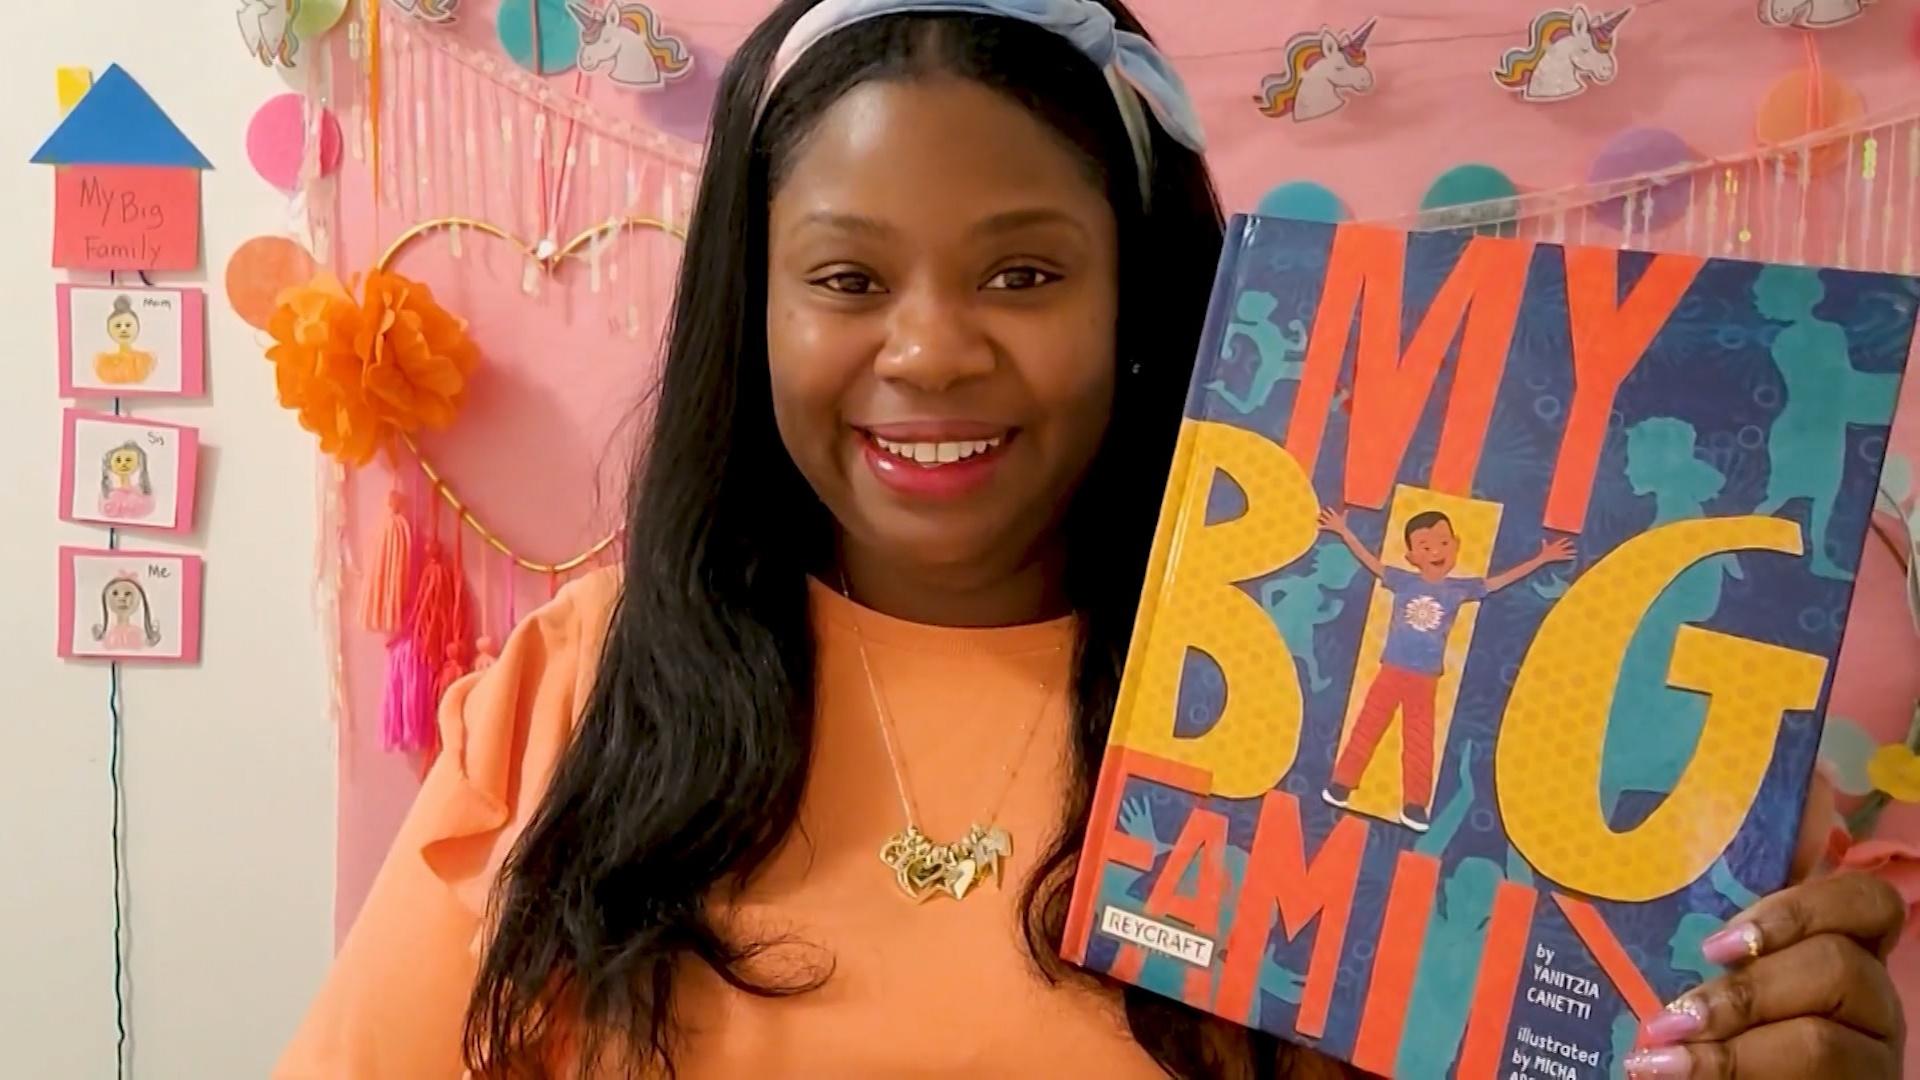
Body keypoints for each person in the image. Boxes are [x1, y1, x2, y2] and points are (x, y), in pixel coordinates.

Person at [276, 1, 1908, 1077]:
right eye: (847, 279)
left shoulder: (1387, 694)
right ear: (750, 314)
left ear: (1142, 305)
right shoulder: (577, 696)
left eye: (1023, 273)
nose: (928, 354)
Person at [1317, 507, 1572, 831]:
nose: (1435, 551)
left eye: (1442, 543)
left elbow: (1497, 582)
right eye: (1424, 546)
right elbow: (1372, 562)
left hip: (1425, 677)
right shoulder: (1403, 579)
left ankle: (1414, 804)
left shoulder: (1460, 588)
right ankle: (1342, 782)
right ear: (1411, 555)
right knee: (1369, 724)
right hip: (1392, 668)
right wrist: (1343, 531)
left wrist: (1541, 559)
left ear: (1455, 544)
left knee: (1419, 738)